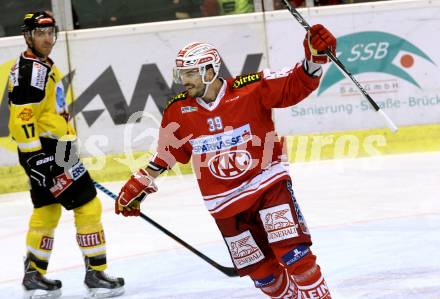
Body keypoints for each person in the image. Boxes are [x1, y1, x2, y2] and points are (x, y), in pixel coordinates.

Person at [116, 24, 336, 298]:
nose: (184, 79)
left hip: (268, 187)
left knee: (296, 256)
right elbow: (167, 153)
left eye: (190, 73)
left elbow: (294, 83)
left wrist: (315, 58)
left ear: (210, 71)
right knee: (265, 277)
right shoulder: (177, 110)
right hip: (225, 205)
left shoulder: (251, 88)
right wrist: (140, 183)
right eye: (182, 73)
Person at [8, 11, 124, 299]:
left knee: (46, 210)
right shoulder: (32, 71)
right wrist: (38, 158)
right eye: (40, 34)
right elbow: (21, 119)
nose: (48, 39)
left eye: (51, 33)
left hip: (51, 151)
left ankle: (34, 274)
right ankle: (96, 274)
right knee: (88, 206)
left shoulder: (40, 64)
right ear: (28, 36)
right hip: (49, 153)